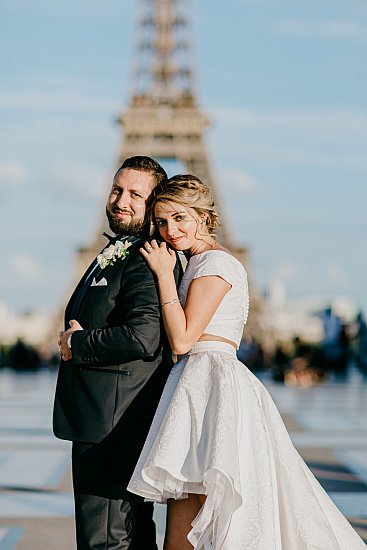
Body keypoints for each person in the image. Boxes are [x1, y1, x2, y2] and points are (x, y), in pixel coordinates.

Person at [127, 175, 366, 549]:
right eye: (161, 222)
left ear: (204, 217)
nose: (170, 230)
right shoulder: (197, 262)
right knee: (191, 515)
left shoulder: (215, 264)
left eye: (180, 218)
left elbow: (184, 339)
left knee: (204, 515)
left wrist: (162, 276)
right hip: (196, 384)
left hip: (210, 383)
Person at [53, 156, 181, 550]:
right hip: (105, 418)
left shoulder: (147, 259)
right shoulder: (123, 252)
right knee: (130, 537)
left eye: (135, 194)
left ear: (154, 203)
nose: (121, 200)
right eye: (117, 189)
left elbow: (144, 336)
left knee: (105, 541)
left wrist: (77, 343)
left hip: (113, 423)